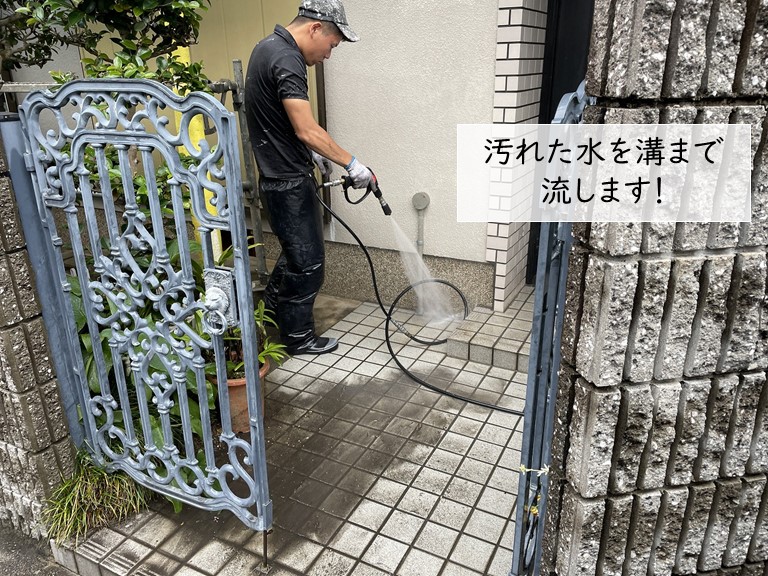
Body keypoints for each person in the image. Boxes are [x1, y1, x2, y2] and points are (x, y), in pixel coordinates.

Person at [245, 0, 372, 356]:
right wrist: (352, 164)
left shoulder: (265, 48)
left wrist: (313, 153)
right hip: (286, 182)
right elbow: (305, 127)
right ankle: (298, 339)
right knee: (309, 265)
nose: (329, 55)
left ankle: (268, 313)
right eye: (332, 45)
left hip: (276, 175)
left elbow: (280, 121)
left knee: (293, 256)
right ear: (315, 28)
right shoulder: (287, 57)